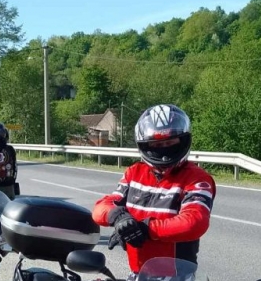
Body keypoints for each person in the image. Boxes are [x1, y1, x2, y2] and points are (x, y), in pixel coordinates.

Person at [92, 104, 216, 271]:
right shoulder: (134, 172)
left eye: (170, 142)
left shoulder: (197, 178)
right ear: (145, 145)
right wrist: (119, 217)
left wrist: (144, 229)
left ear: (183, 140)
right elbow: (100, 208)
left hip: (178, 277)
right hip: (138, 274)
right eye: (157, 145)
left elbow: (194, 222)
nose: (164, 150)